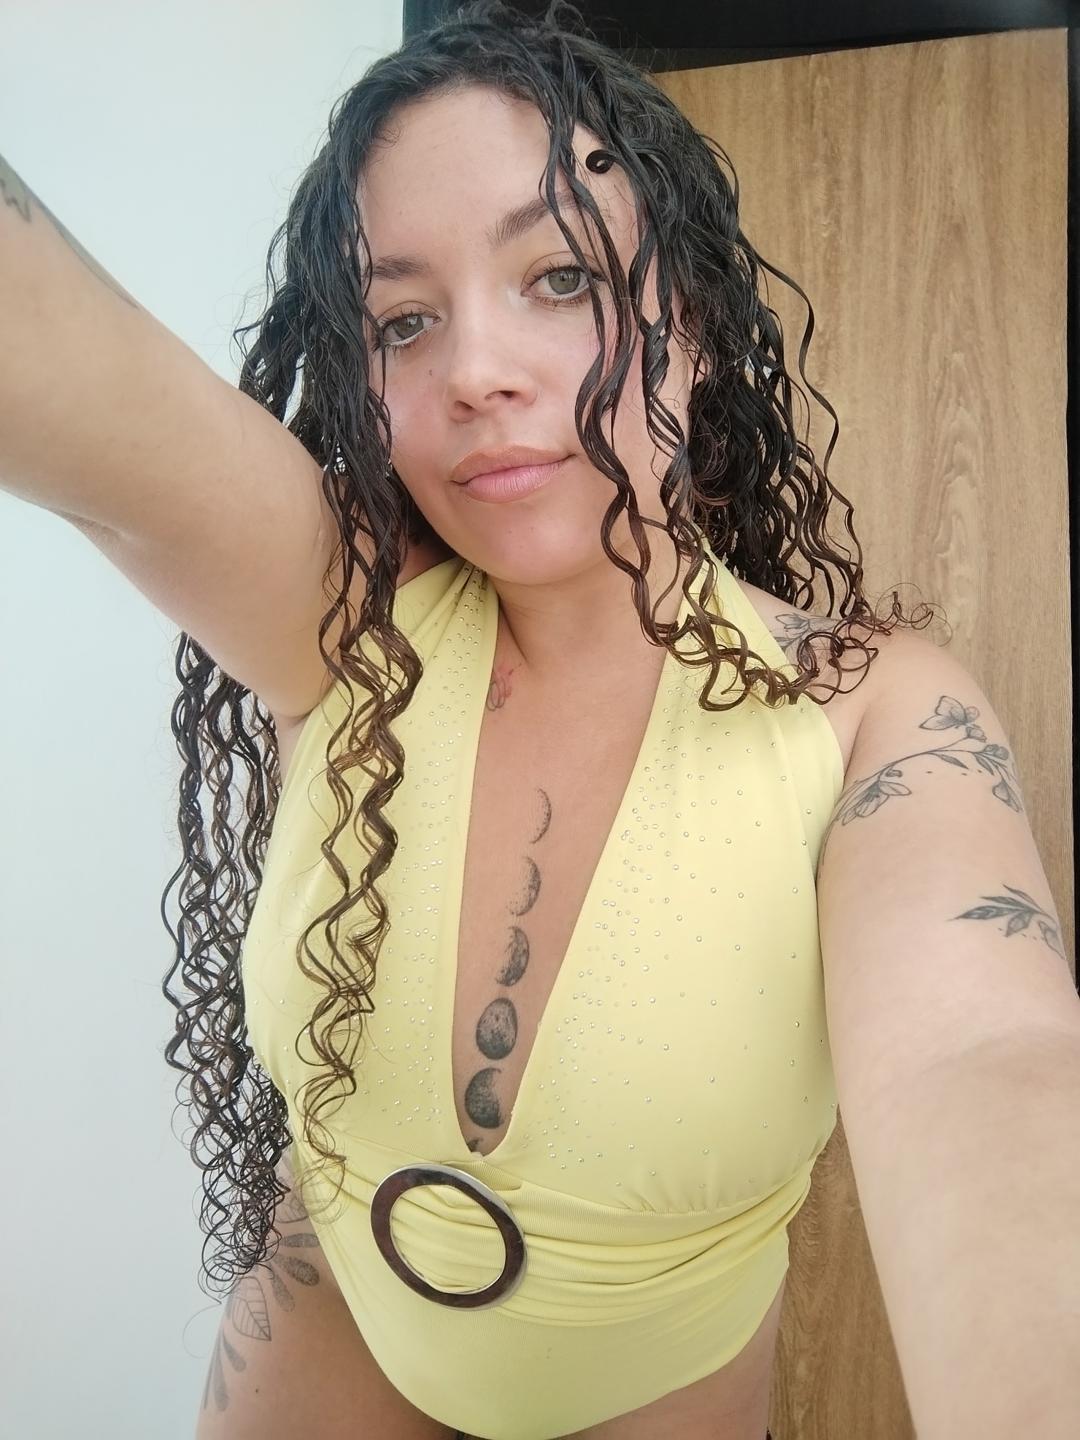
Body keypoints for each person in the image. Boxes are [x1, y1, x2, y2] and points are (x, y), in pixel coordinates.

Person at [1, 2, 917, 1435]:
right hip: (326, 1332)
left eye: (560, 277)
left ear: (694, 324)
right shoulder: (339, 610)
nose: (474, 369)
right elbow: (59, 364)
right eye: (404, 321)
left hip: (665, 1375)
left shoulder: (873, 709)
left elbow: (991, 1057)